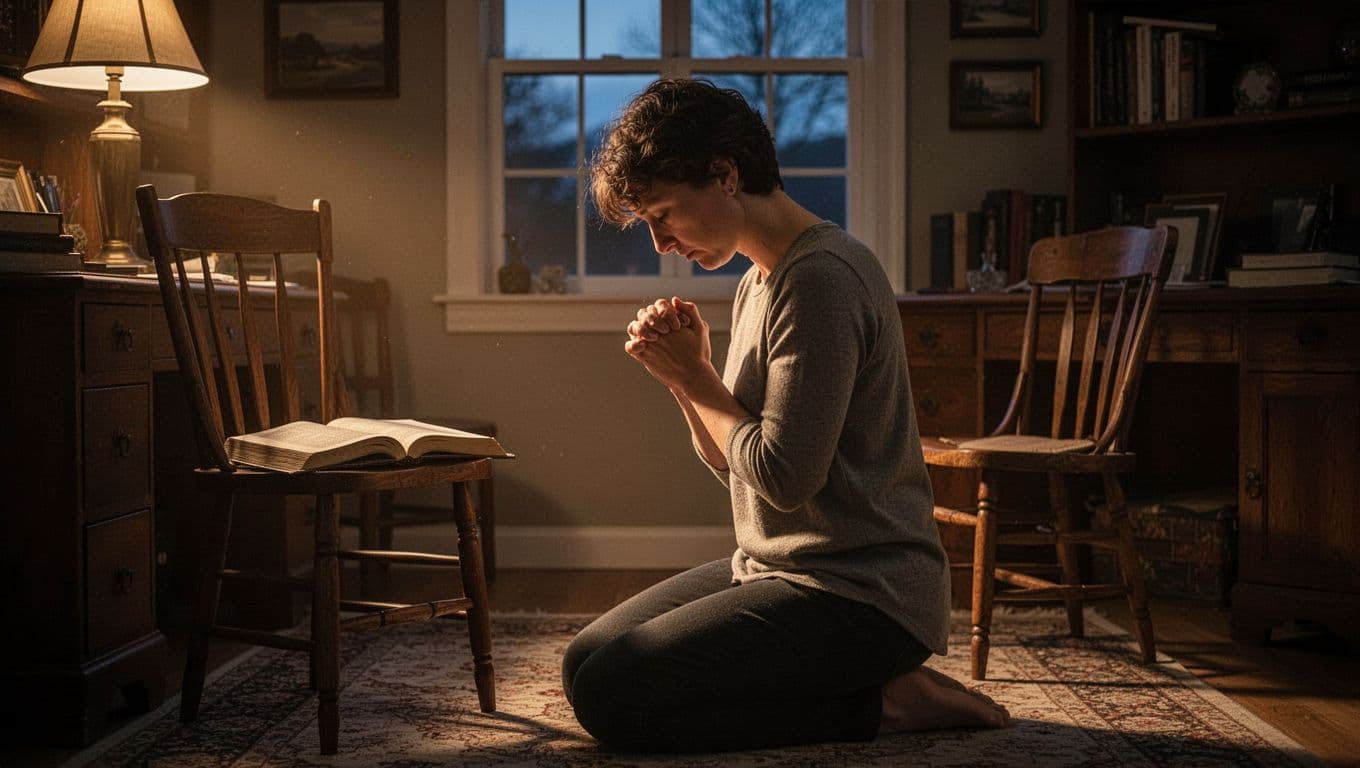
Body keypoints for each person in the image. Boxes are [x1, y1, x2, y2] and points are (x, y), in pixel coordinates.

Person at [561, 77, 1010, 754]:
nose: (660, 243)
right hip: (775, 567)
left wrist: (697, 376)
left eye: (664, 214)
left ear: (724, 174)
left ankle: (885, 703)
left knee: (613, 698)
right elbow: (728, 464)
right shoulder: (755, 282)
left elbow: (785, 477)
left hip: (864, 593)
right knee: (584, 663)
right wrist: (684, 378)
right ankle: (847, 687)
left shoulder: (821, 278)